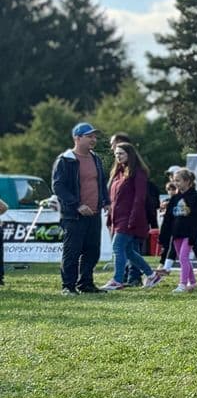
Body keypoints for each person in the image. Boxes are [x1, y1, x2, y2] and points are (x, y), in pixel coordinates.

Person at [52, 121, 108, 294]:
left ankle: (86, 284)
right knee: (72, 252)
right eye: (89, 136)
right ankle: (68, 286)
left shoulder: (96, 159)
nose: (93, 140)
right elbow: (58, 187)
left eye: (95, 137)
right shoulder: (65, 160)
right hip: (74, 215)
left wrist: (106, 201)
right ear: (77, 138)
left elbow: (101, 182)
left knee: (92, 251)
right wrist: (77, 205)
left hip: (94, 213)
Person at [105, 140, 153, 289]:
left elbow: (139, 198)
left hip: (129, 218)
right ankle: (152, 275)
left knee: (117, 247)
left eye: (121, 153)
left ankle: (117, 280)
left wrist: (133, 218)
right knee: (129, 251)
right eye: (116, 154)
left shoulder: (138, 173)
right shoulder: (117, 173)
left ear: (130, 154)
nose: (118, 156)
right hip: (117, 218)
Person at [164, 169, 197, 293]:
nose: (175, 183)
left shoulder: (194, 198)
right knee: (183, 258)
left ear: (187, 181)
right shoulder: (176, 198)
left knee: (183, 257)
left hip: (189, 233)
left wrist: (194, 235)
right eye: (174, 180)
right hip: (177, 233)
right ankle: (193, 282)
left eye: (178, 180)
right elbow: (170, 216)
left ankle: (182, 284)